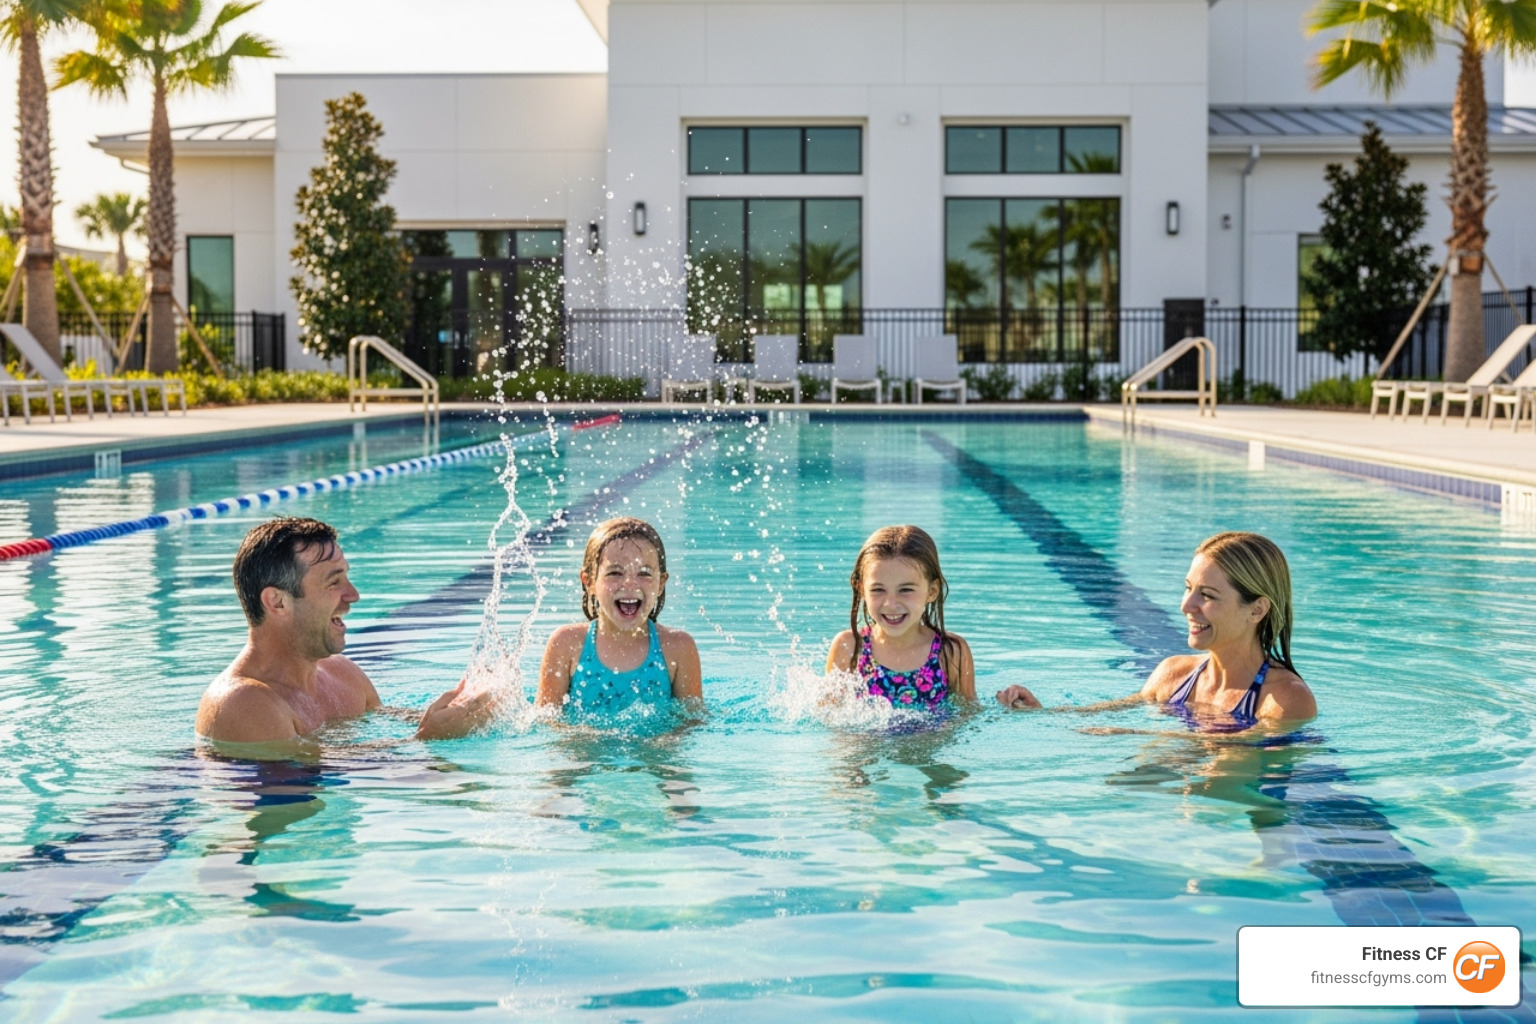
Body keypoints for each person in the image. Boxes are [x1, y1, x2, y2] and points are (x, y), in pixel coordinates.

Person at [196, 517, 493, 749]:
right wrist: (428, 740)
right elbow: (309, 777)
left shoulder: (342, 674)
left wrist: (468, 711)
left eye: (347, 577)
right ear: (278, 601)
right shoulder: (243, 703)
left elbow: (393, 726)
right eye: (333, 583)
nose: (353, 595)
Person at [998, 531, 1315, 728]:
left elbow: (1235, 762)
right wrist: (1039, 713)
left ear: (1257, 610)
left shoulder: (1284, 700)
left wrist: (1131, 736)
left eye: (1207, 595)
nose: (1186, 605)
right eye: (1188, 588)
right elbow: (1107, 714)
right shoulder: (1173, 674)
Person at [536, 517, 702, 713]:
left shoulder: (678, 648)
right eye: (615, 573)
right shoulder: (567, 644)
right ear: (589, 582)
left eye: (645, 573)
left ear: (661, 584)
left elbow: (692, 723)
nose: (630, 584)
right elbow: (547, 722)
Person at [824, 525, 983, 706]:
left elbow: (968, 716)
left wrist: (1012, 706)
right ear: (862, 590)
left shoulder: (950, 652)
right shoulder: (850, 648)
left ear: (932, 591)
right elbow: (830, 720)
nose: (891, 604)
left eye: (906, 590)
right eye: (878, 590)